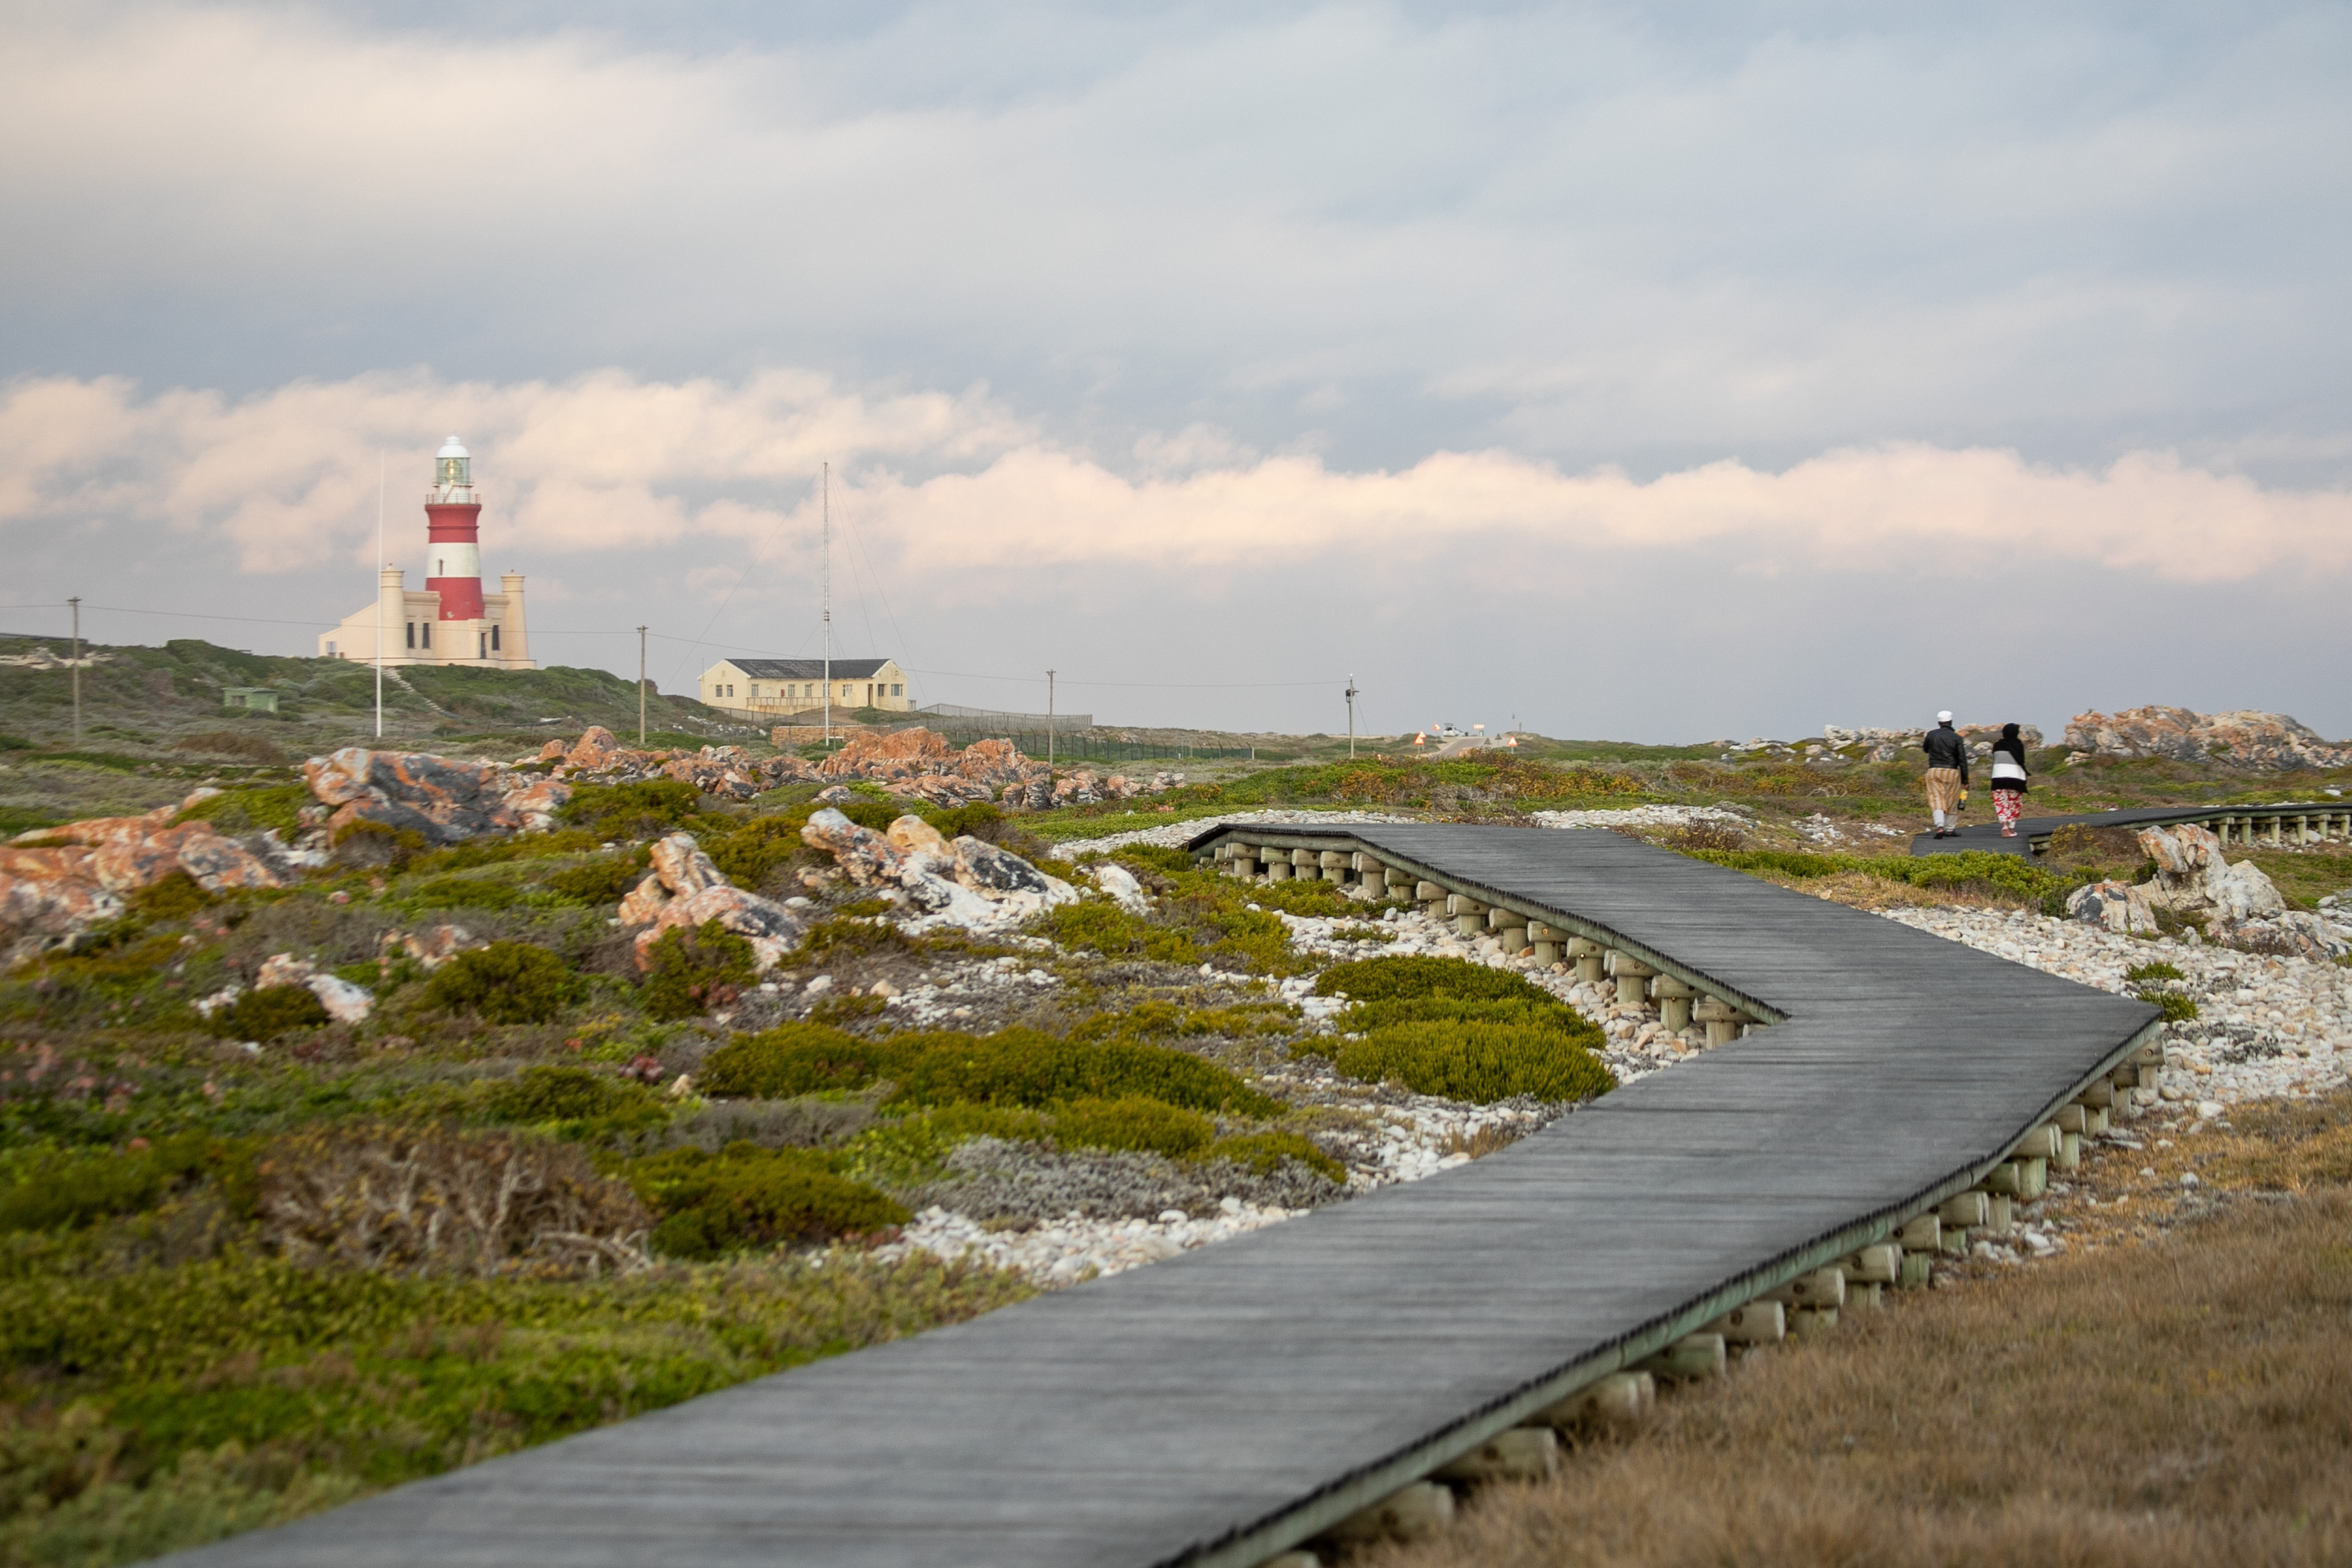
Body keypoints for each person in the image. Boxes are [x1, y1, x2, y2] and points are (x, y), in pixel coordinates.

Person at [1920, 710, 1969, 838]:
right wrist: (1965, 780)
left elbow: (1925, 749)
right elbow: (1962, 760)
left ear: (1939, 723)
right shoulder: (1957, 738)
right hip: (1952, 771)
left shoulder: (1931, 735)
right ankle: (1950, 829)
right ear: (1951, 722)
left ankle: (1940, 826)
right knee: (1952, 800)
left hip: (1934, 770)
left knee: (1936, 798)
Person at [1988, 721, 2029, 837]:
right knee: (2014, 804)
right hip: (2015, 779)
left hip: (1998, 779)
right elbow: (2021, 761)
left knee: (2001, 803)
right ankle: (2011, 827)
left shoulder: (1997, 745)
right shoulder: (2019, 745)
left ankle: (2004, 825)